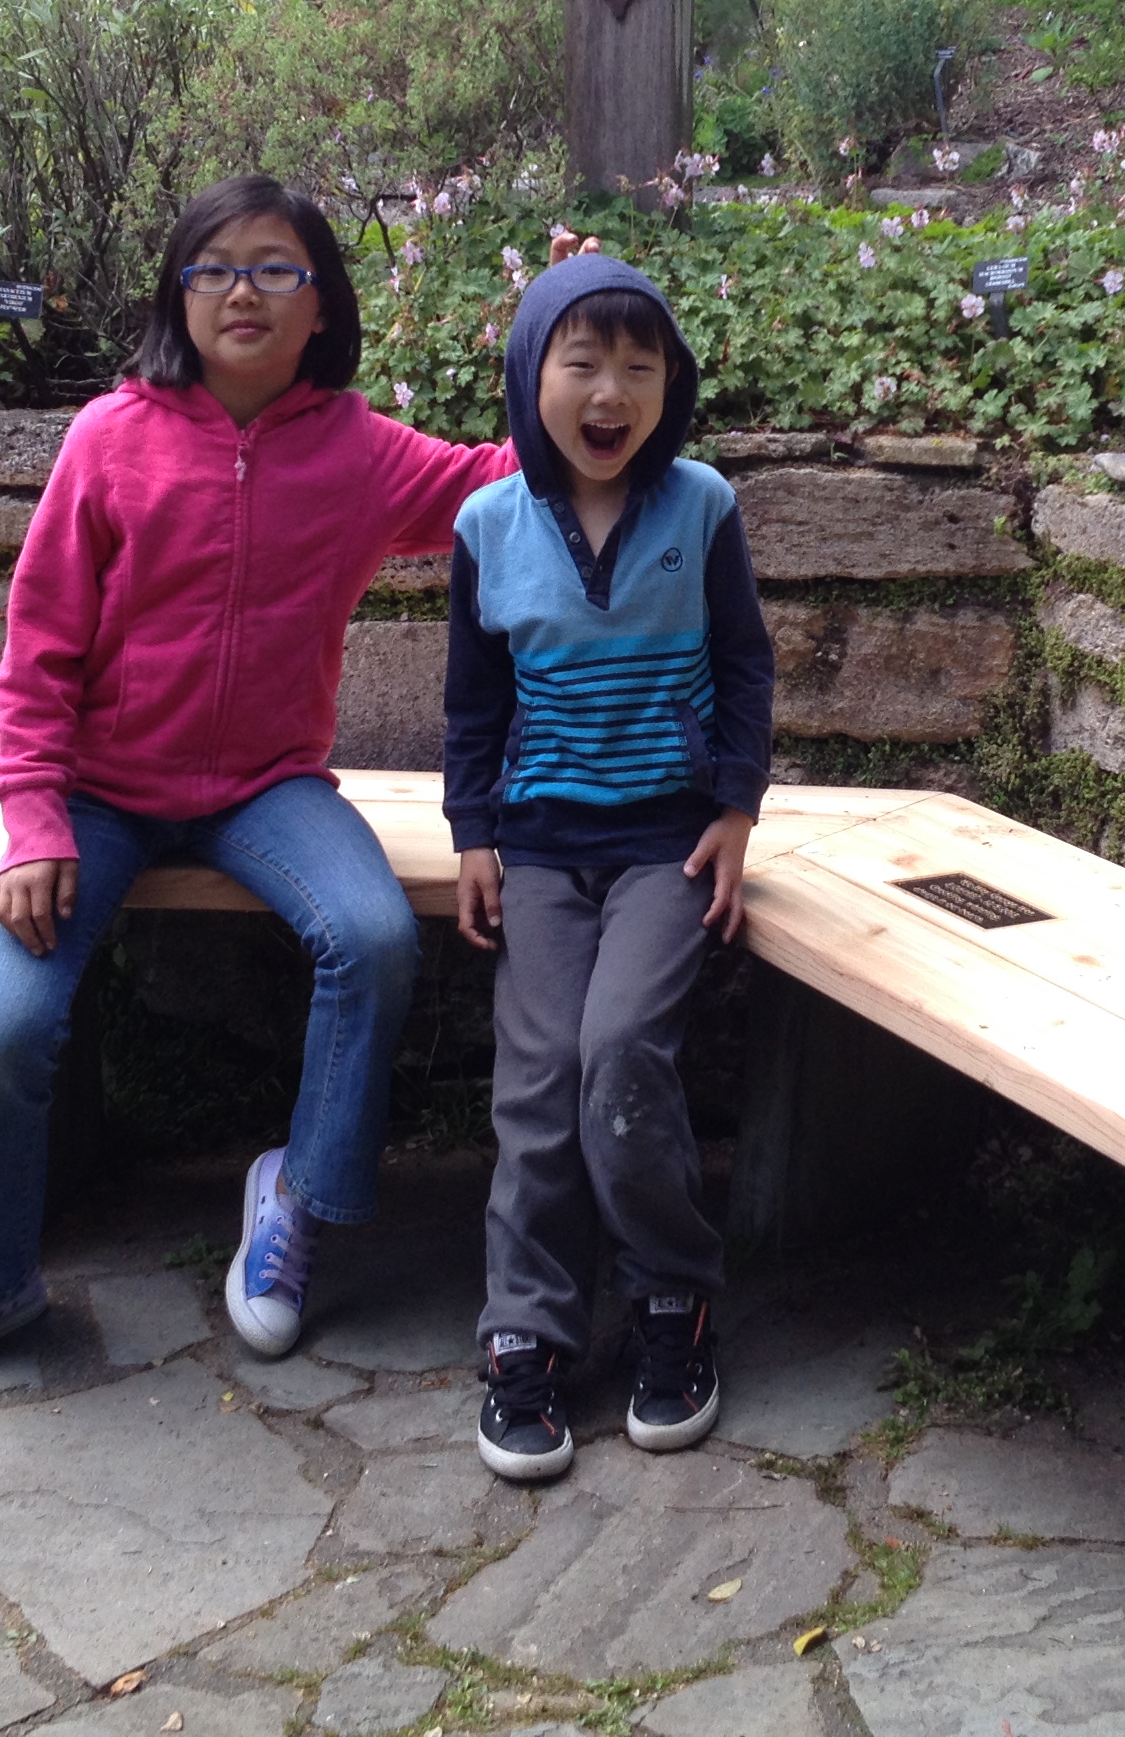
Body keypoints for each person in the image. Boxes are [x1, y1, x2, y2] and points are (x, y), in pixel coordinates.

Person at [0, 173, 515, 1383]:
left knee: (373, 940)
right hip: (97, 794)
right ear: (180, 292)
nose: (243, 292)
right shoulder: (111, 440)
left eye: (277, 268)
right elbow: (38, 645)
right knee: (5, 1026)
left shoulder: (363, 453)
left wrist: (572, 355)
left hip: (267, 789)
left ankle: (295, 1208)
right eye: (214, 267)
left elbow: (502, 481)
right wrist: (34, 821)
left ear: (321, 303)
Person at [445, 251, 775, 1481]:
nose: (610, 390)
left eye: (641, 366)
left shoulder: (703, 507)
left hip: (664, 844)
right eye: (582, 361)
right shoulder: (488, 524)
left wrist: (736, 810)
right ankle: (526, 1329)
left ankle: (672, 1300)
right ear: (534, 374)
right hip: (537, 848)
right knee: (537, 1080)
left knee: (623, 1054)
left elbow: (744, 667)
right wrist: (472, 833)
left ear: (669, 388)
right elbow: (473, 705)